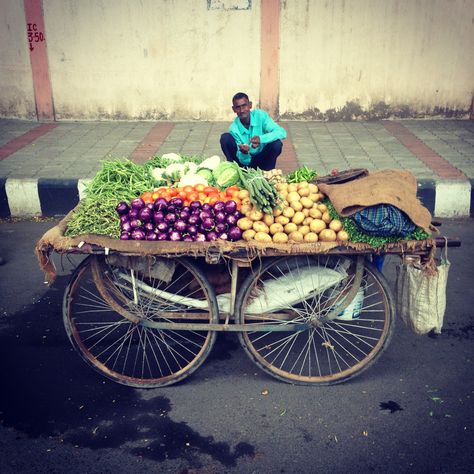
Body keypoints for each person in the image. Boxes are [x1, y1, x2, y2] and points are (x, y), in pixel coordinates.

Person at [220, 92, 286, 171]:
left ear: (250, 105)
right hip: (244, 164)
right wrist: (244, 153)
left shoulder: (260, 116)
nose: (242, 110)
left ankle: (268, 171)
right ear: (234, 109)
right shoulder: (234, 129)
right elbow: (243, 160)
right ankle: (234, 170)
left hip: (263, 158)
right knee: (225, 138)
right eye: (238, 107)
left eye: (244, 106)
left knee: (277, 144)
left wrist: (260, 139)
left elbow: (281, 132)